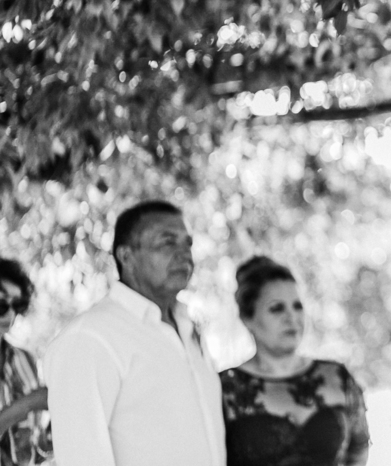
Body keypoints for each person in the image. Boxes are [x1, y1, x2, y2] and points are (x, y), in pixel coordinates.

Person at [44, 200, 225, 466]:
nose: (184, 255)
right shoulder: (90, 337)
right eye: (167, 243)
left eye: (187, 244)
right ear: (126, 257)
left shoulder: (189, 329)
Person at [221, 256, 370, 466]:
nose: (292, 318)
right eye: (277, 308)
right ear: (248, 318)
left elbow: (359, 452)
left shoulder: (336, 376)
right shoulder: (224, 389)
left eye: (297, 306)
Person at [0, 258, 51, 465]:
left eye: (18, 305)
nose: (10, 313)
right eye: (2, 304)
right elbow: (31, 404)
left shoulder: (26, 360)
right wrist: (27, 404)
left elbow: (34, 445)